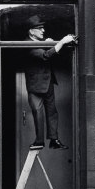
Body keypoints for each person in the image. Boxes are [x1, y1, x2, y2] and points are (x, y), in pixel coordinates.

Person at [24, 15, 76, 150]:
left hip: (48, 83)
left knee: (52, 112)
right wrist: (62, 42)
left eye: (43, 28)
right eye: (40, 29)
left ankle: (54, 139)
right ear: (31, 31)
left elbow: (45, 51)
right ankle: (39, 141)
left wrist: (48, 43)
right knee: (38, 113)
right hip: (36, 86)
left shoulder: (37, 41)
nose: (43, 31)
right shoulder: (26, 43)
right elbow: (45, 56)